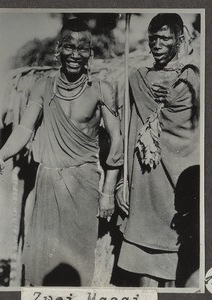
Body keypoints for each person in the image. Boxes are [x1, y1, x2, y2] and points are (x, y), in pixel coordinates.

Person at [0, 18, 123, 286]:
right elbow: (23, 130)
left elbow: (116, 140)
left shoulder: (103, 89)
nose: (75, 54)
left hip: (84, 187)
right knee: (44, 268)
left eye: (82, 48)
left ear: (90, 52)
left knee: (77, 269)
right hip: (48, 184)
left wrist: (108, 193)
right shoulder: (43, 86)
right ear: (58, 49)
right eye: (69, 46)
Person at [116, 13, 200, 287]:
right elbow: (129, 132)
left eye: (165, 38)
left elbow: (192, 130)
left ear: (179, 40)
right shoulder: (138, 78)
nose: (158, 44)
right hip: (145, 185)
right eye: (153, 38)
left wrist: (179, 96)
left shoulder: (192, 78)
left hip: (177, 187)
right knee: (145, 273)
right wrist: (122, 181)